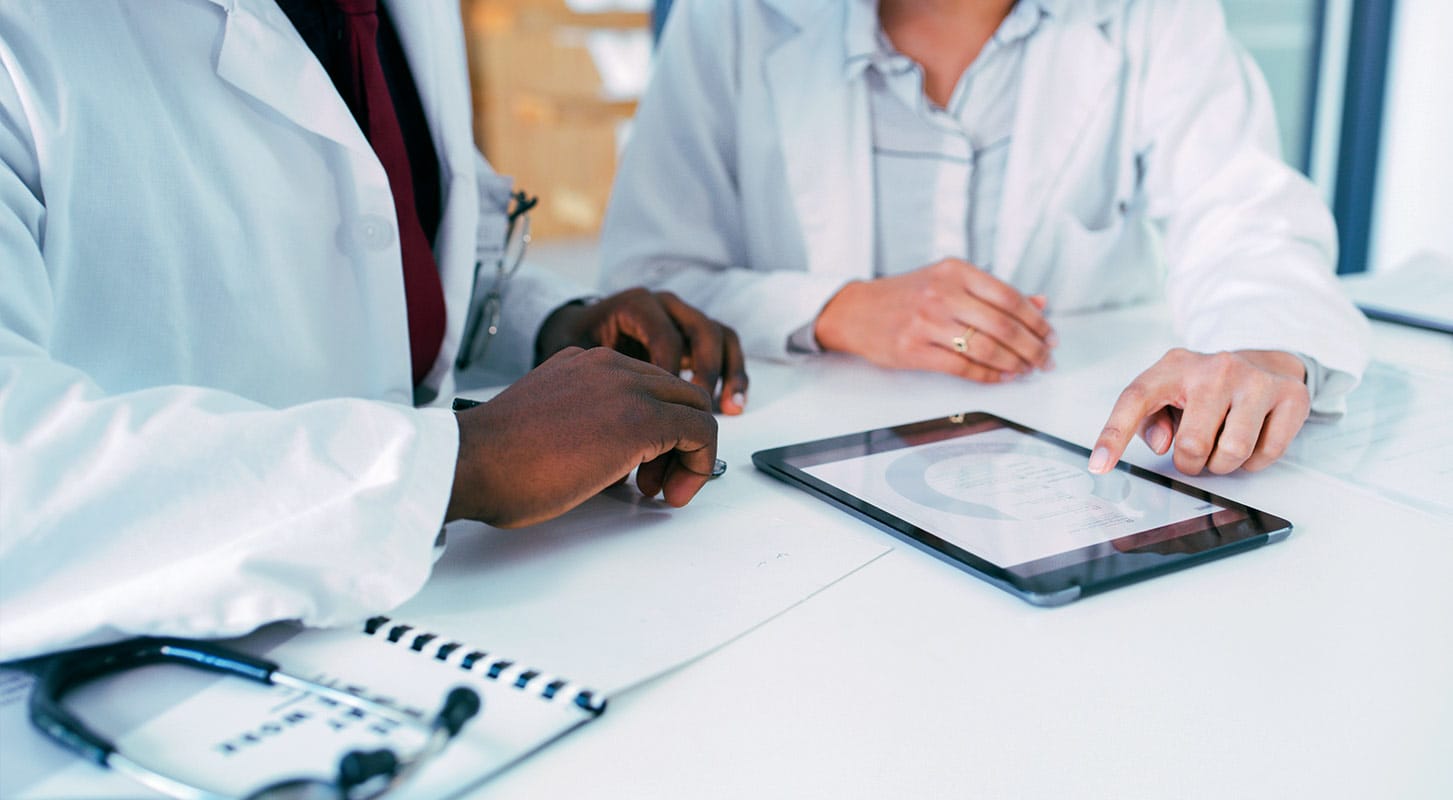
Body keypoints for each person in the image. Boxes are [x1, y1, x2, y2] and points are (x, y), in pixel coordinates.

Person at [0, 1, 747, 662]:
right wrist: (459, 465)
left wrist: (551, 323)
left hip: (459, 608)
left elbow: (392, 233)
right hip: (163, 666)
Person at [600, 0, 1369, 478]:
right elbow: (644, 282)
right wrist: (834, 310)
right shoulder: (732, 16)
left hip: (1070, 453)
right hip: (790, 459)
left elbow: (1242, 213)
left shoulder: (1150, 14)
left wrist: (1267, 349)